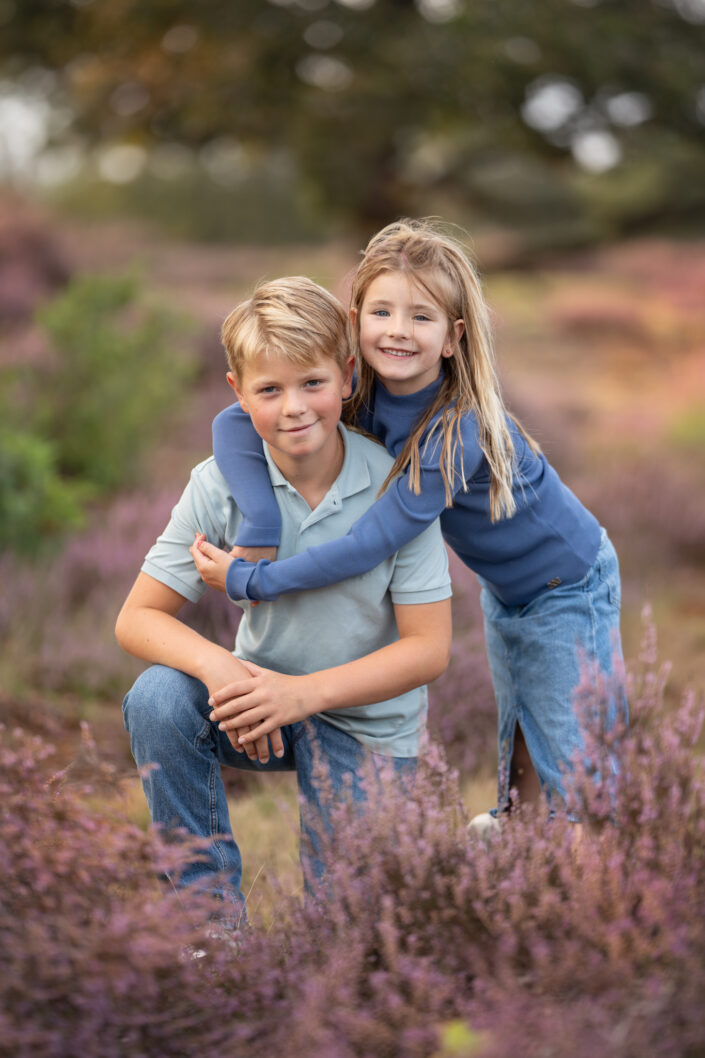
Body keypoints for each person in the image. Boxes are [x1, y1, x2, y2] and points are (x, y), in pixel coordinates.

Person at [211, 219, 628, 825]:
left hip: (571, 584)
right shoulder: (360, 393)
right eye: (381, 311)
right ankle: (529, 880)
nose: (398, 331)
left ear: (454, 338)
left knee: (576, 759)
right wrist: (261, 524)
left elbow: (371, 543)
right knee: (522, 749)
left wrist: (258, 581)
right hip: (507, 590)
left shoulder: (455, 429)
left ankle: (616, 888)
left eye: (422, 317)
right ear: (355, 321)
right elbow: (232, 422)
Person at [115, 276, 452, 920]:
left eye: (312, 384)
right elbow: (137, 619)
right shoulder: (217, 485)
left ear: (348, 377)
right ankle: (208, 931)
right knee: (158, 697)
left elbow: (429, 649)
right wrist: (225, 670)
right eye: (269, 390)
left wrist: (300, 695)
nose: (294, 407)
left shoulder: (395, 487)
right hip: (256, 709)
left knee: (345, 941)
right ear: (238, 394)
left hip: (366, 726)